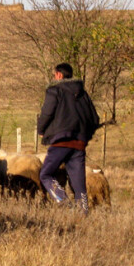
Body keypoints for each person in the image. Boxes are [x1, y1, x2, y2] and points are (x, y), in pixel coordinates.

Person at [37, 63, 100, 215]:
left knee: (45, 174)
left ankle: (64, 203)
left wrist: (41, 130)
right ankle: (83, 212)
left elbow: (47, 112)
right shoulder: (83, 93)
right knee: (79, 183)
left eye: (54, 74)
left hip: (61, 140)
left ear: (58, 75)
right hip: (79, 143)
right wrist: (85, 135)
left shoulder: (55, 90)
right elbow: (95, 119)